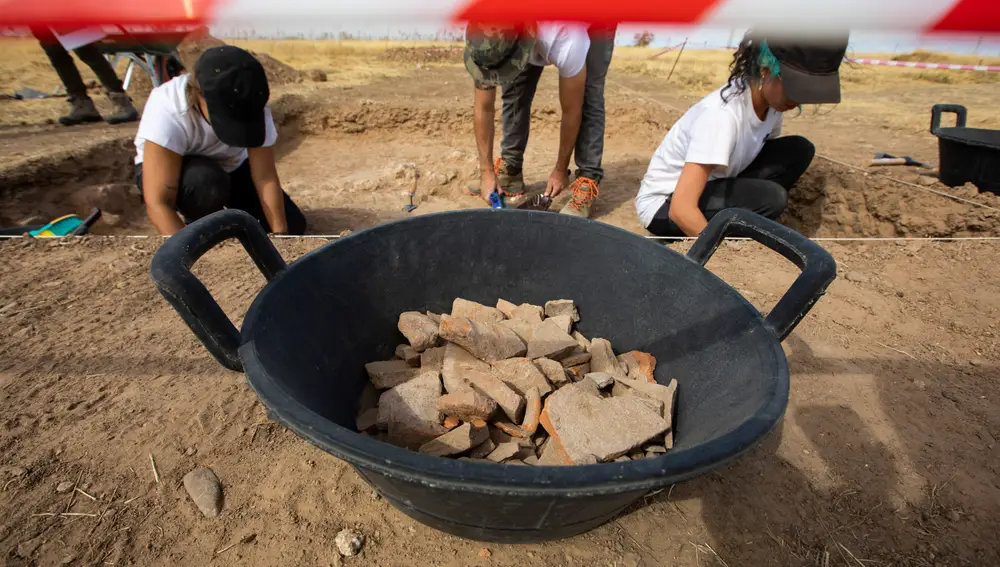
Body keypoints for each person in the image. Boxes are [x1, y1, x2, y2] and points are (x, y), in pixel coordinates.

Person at [635, 33, 848, 237]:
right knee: (772, 199)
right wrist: (720, 254)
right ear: (766, 71)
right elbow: (680, 209)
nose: (798, 100)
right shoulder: (722, 117)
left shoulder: (771, 105)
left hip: (716, 183)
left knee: (799, 150)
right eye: (794, 89)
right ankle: (725, 231)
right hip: (665, 206)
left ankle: (740, 224)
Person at [134, 46, 306, 236]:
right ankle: (199, 225)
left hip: (229, 166)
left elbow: (264, 176)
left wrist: (280, 235)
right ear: (200, 95)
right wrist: (191, 255)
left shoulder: (251, 98)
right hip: (180, 174)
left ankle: (223, 221)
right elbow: (159, 204)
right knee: (204, 183)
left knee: (293, 226)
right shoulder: (168, 108)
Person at [464, 22, 615, 218]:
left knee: (588, 95)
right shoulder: (483, 32)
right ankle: (511, 169)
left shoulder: (567, 38)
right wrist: (486, 172)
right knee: (515, 87)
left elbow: (572, 111)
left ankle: (587, 180)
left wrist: (560, 169)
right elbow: (484, 107)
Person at [31, 26, 139, 126]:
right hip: (34, 10)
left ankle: (121, 101)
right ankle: (81, 104)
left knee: (85, 51)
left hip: (62, 9)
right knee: (55, 52)